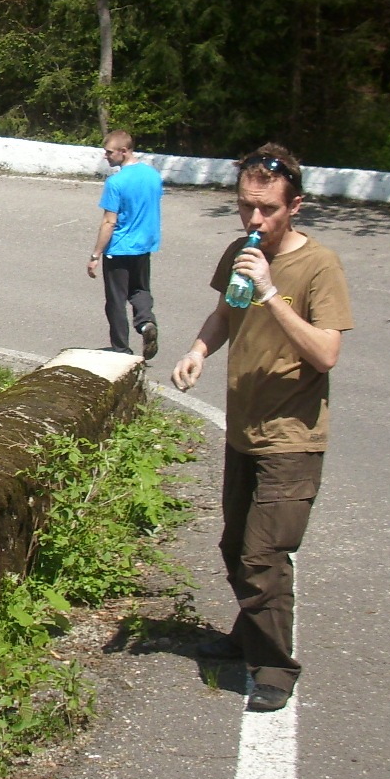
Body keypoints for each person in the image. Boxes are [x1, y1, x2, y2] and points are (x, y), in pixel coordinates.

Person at [171, 144, 353, 714]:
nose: (255, 219)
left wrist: (272, 293)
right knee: (235, 545)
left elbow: (326, 353)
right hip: (243, 430)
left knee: (263, 555)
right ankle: (248, 635)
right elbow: (226, 313)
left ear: (294, 206)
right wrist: (198, 351)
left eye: (268, 209)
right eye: (246, 206)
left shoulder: (319, 265)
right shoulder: (239, 251)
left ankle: (275, 668)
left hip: (292, 438)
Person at [86, 129, 163, 358]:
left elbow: (109, 222)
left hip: (119, 248)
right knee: (140, 289)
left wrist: (96, 255)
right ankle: (146, 323)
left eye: (109, 152)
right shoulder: (153, 176)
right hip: (144, 246)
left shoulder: (115, 182)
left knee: (116, 300)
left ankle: (121, 349)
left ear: (124, 151)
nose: (106, 156)